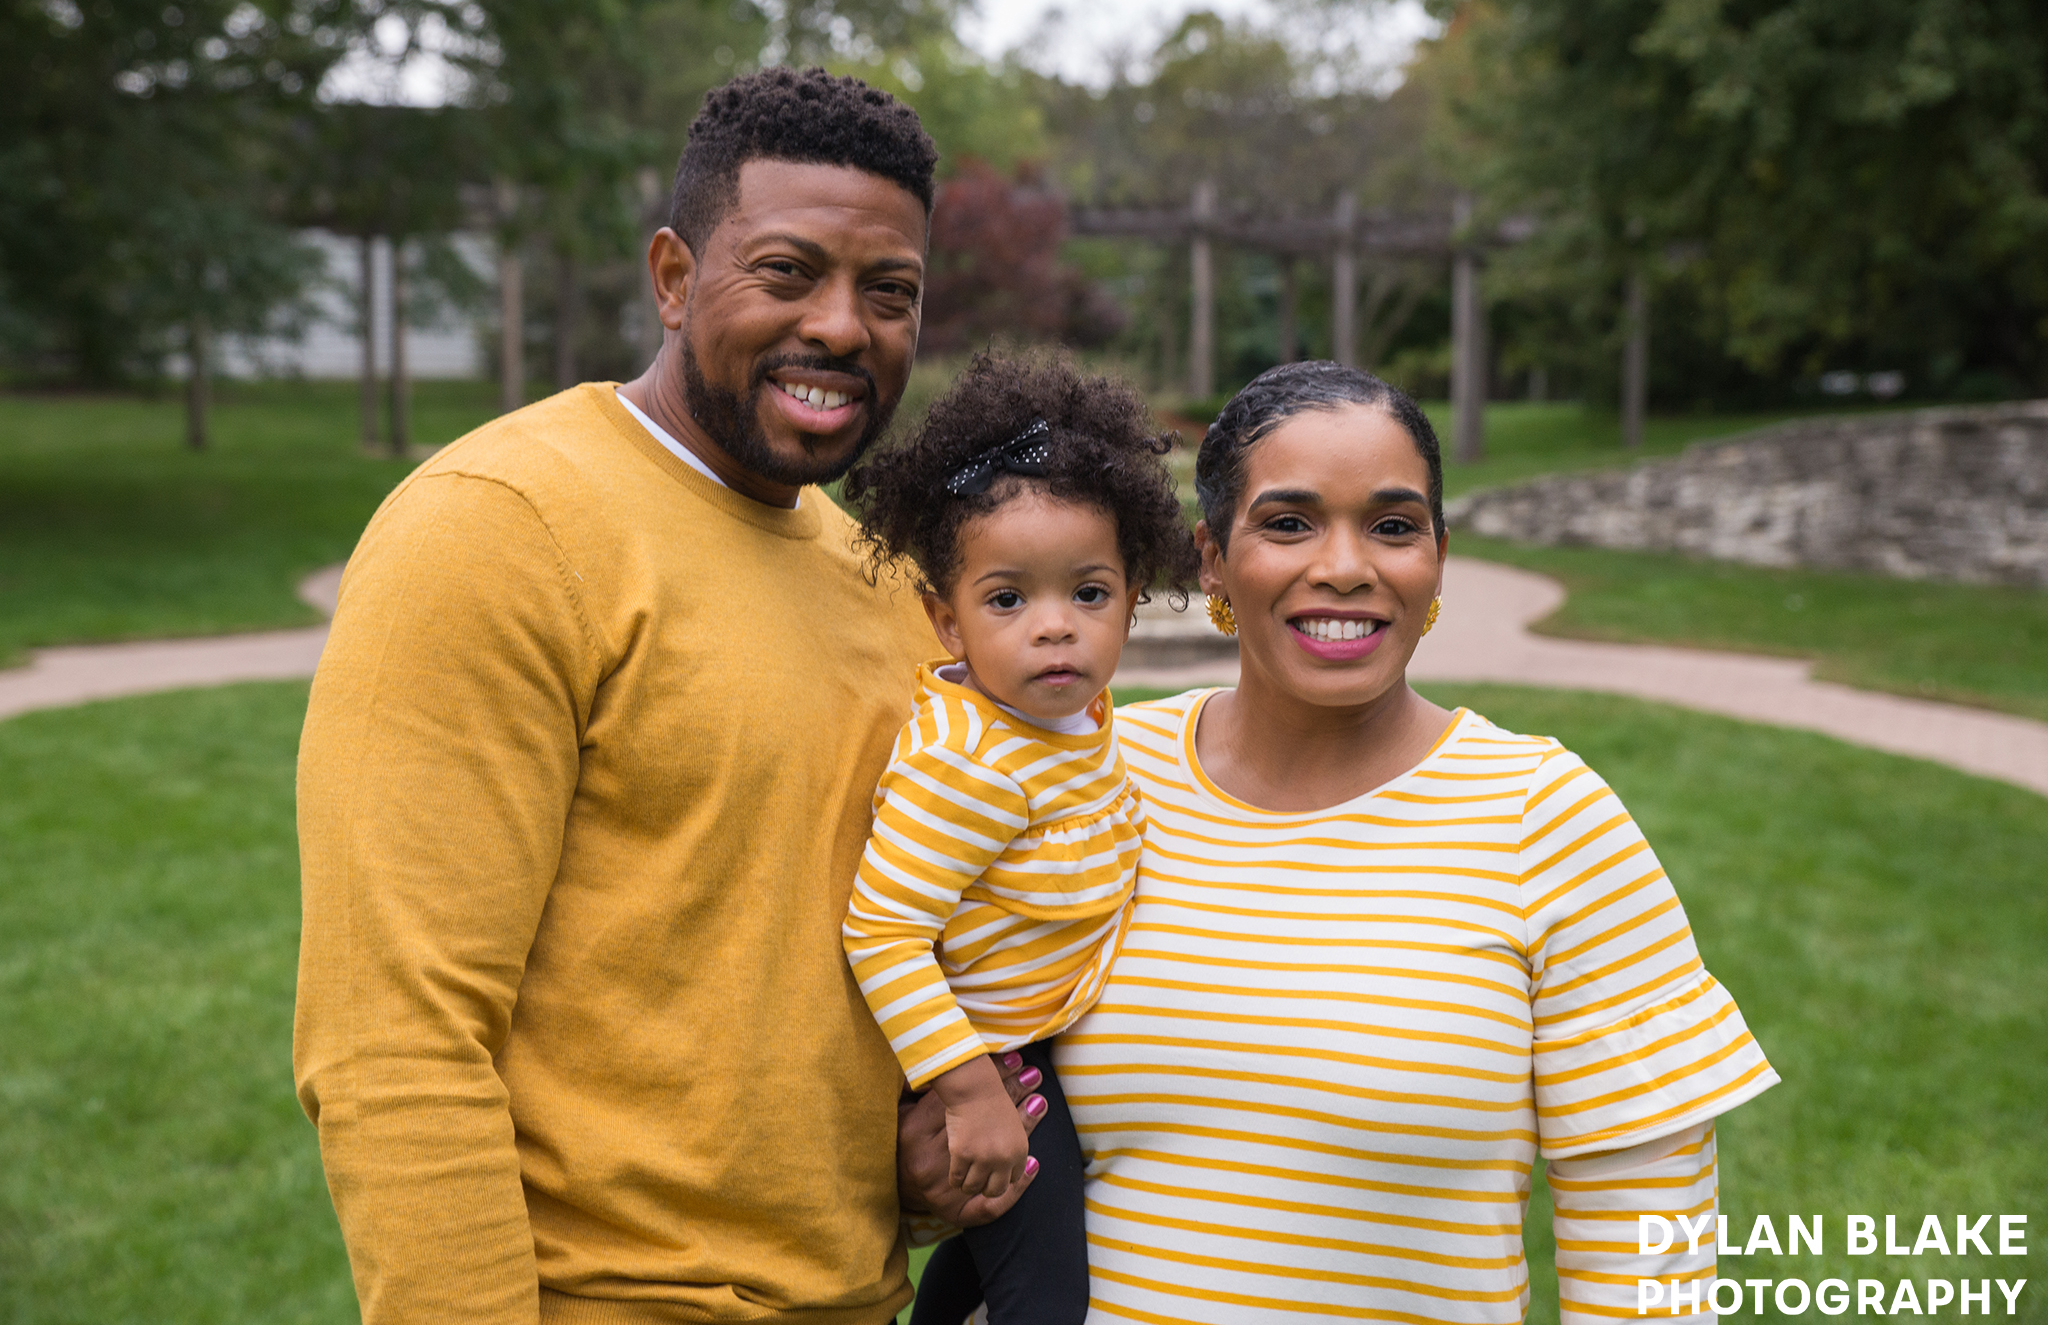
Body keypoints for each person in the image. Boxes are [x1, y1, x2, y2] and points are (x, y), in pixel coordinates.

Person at [294, 67, 1038, 1325]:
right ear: (674, 278)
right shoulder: (499, 530)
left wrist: (921, 1169)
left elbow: (826, 985)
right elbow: (396, 1042)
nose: (844, 328)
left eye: (889, 291)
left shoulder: (887, 589)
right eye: (788, 271)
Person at [900, 361, 1779, 1323]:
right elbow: (935, 1038)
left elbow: (1649, 1248)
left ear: (1438, 557)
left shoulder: (1550, 821)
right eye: (1288, 522)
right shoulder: (1092, 782)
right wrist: (919, 1167)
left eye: (1394, 526)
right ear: (1210, 557)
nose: (1346, 565)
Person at [838, 355, 1200, 1325]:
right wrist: (967, 1091)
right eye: (1007, 600)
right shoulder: (970, 765)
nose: (1054, 630)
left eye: (1088, 593)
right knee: (1045, 1299)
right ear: (942, 619)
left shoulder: (1074, 716)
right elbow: (879, 930)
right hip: (988, 1054)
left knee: (984, 1265)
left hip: (1031, 1039)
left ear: (1133, 594)